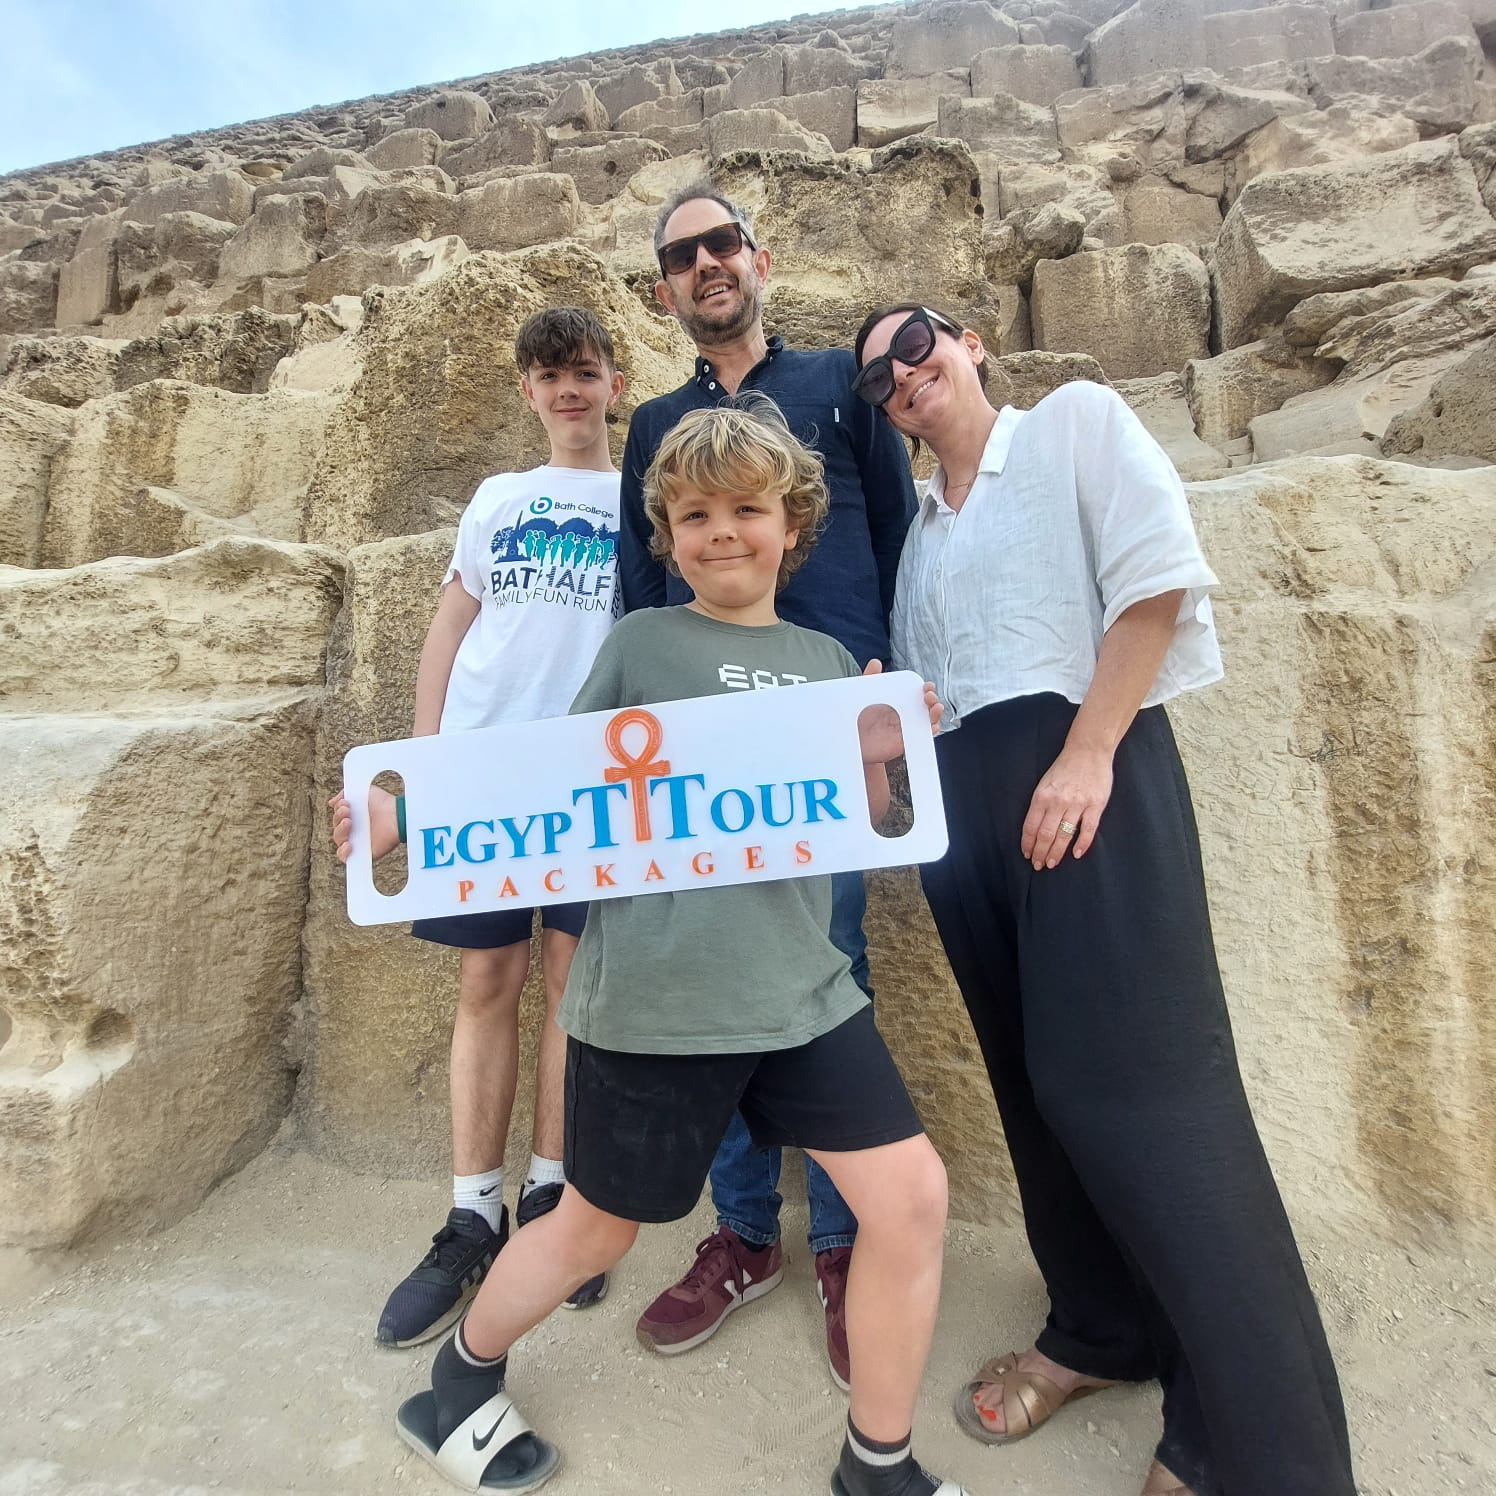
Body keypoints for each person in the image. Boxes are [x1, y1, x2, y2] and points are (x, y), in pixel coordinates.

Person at [389, 399, 968, 1496]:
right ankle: (458, 1381)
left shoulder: (825, 658)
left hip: (802, 994)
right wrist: (404, 818)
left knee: (911, 1200)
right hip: (656, 1001)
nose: (721, 532)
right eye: (694, 514)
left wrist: (882, 750)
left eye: (746, 509)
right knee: (594, 1231)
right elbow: (545, 789)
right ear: (666, 534)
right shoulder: (640, 643)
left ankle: (877, 1463)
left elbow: (865, 820)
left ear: (791, 524)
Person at [849, 303, 1357, 1496]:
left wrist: (1087, 753)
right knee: (1037, 1094)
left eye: (914, 345)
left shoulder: (1071, 424)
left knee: (1152, 1109)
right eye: (876, 379)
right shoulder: (916, 531)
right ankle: (1099, 1327)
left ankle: (1253, 1445)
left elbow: (1153, 580)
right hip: (966, 827)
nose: (901, 377)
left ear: (968, 341)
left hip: (1081, 784)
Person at [619, 182, 917, 1388]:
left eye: (721, 242)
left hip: (825, 738)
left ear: (758, 256)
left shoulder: (838, 386)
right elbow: (641, 582)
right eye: (680, 255)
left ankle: (838, 1242)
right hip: (702, 754)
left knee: (825, 969)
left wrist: (890, 688)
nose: (705, 263)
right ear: (663, 290)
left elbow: (895, 534)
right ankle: (743, 1232)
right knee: (715, 984)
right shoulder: (654, 422)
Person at [330, 306, 625, 1347]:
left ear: (613, 380)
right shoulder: (498, 497)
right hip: (485, 770)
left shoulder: (639, 497)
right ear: (526, 390)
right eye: (548, 375)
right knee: (487, 980)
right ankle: (471, 1214)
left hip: (591, 782)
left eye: (582, 371)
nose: (567, 390)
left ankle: (551, 1192)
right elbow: (452, 624)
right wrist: (422, 764)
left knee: (573, 984)